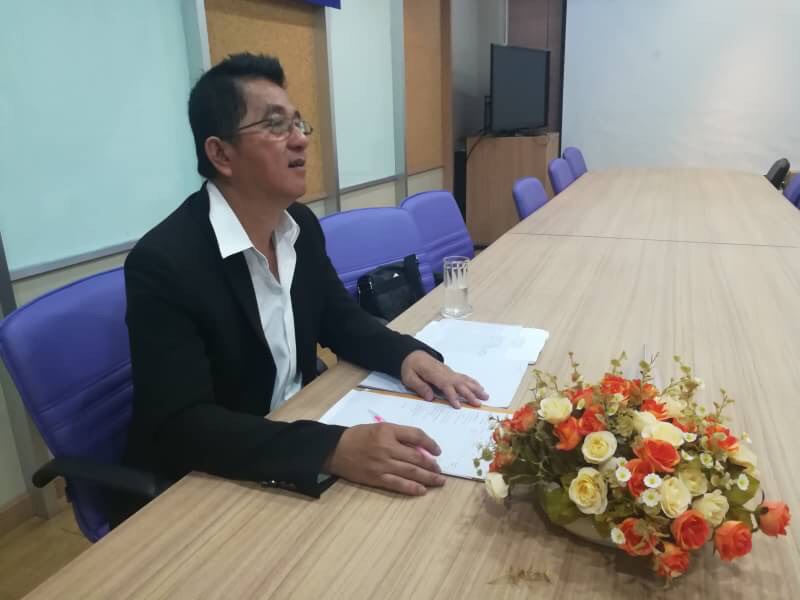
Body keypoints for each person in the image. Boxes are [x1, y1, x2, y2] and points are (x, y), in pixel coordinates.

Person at [116, 53, 486, 523]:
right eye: (275, 125)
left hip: (293, 429)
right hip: (216, 480)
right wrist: (331, 449)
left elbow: (338, 318)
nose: (301, 139)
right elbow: (183, 425)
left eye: (298, 122)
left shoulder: (298, 226)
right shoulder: (165, 263)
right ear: (221, 154)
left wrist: (406, 355)